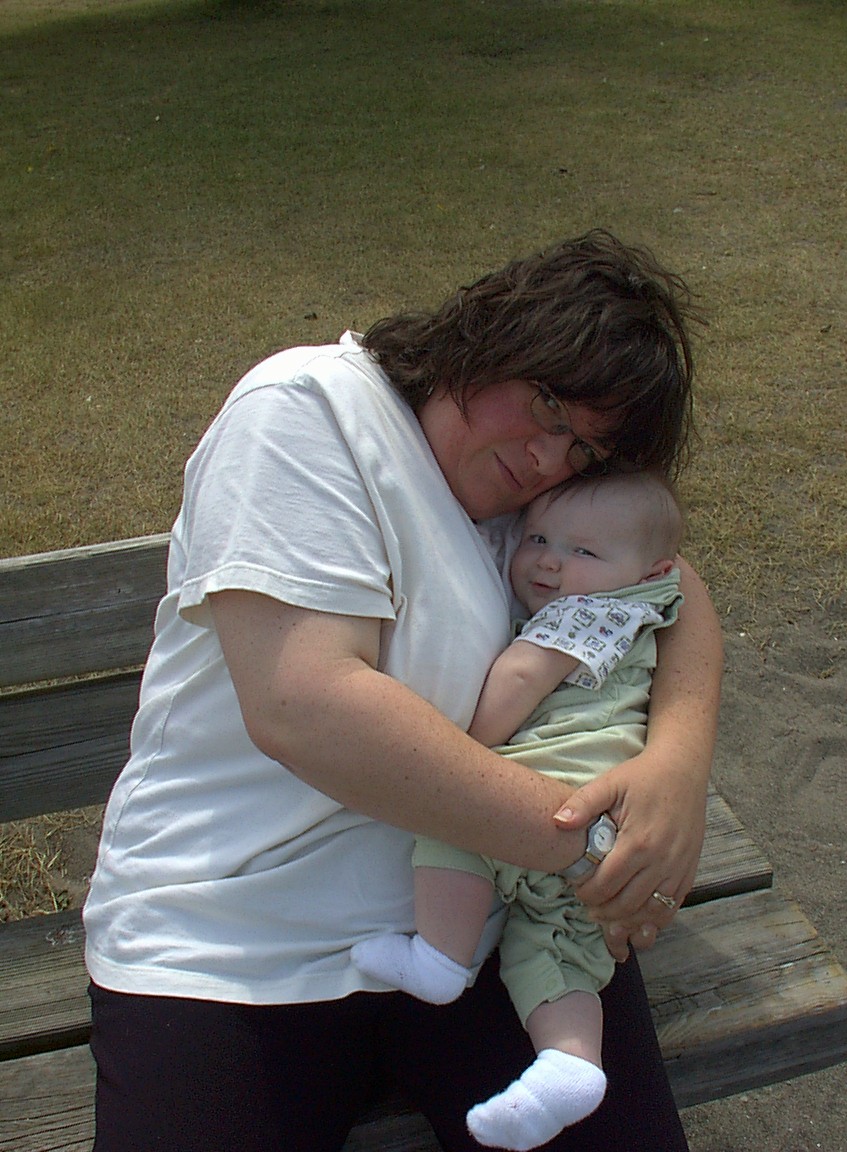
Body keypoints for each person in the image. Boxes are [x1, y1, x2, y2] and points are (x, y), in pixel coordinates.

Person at [82, 230, 722, 1152]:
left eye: (583, 449)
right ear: (487, 334)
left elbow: (672, 584)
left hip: (484, 926)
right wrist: (586, 849)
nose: (549, 458)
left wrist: (680, 765)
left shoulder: (532, 508)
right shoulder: (310, 413)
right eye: (547, 403)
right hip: (235, 938)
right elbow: (307, 706)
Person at [353, 470, 684, 1150]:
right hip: (604, 832)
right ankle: (570, 1064)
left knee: (454, 829)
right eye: (537, 539)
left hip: (550, 794)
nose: (549, 562)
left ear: (651, 569)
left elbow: (520, 677)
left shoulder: (581, 615)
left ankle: (441, 957)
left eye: (583, 552)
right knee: (555, 947)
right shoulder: (649, 601)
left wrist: (467, 745)